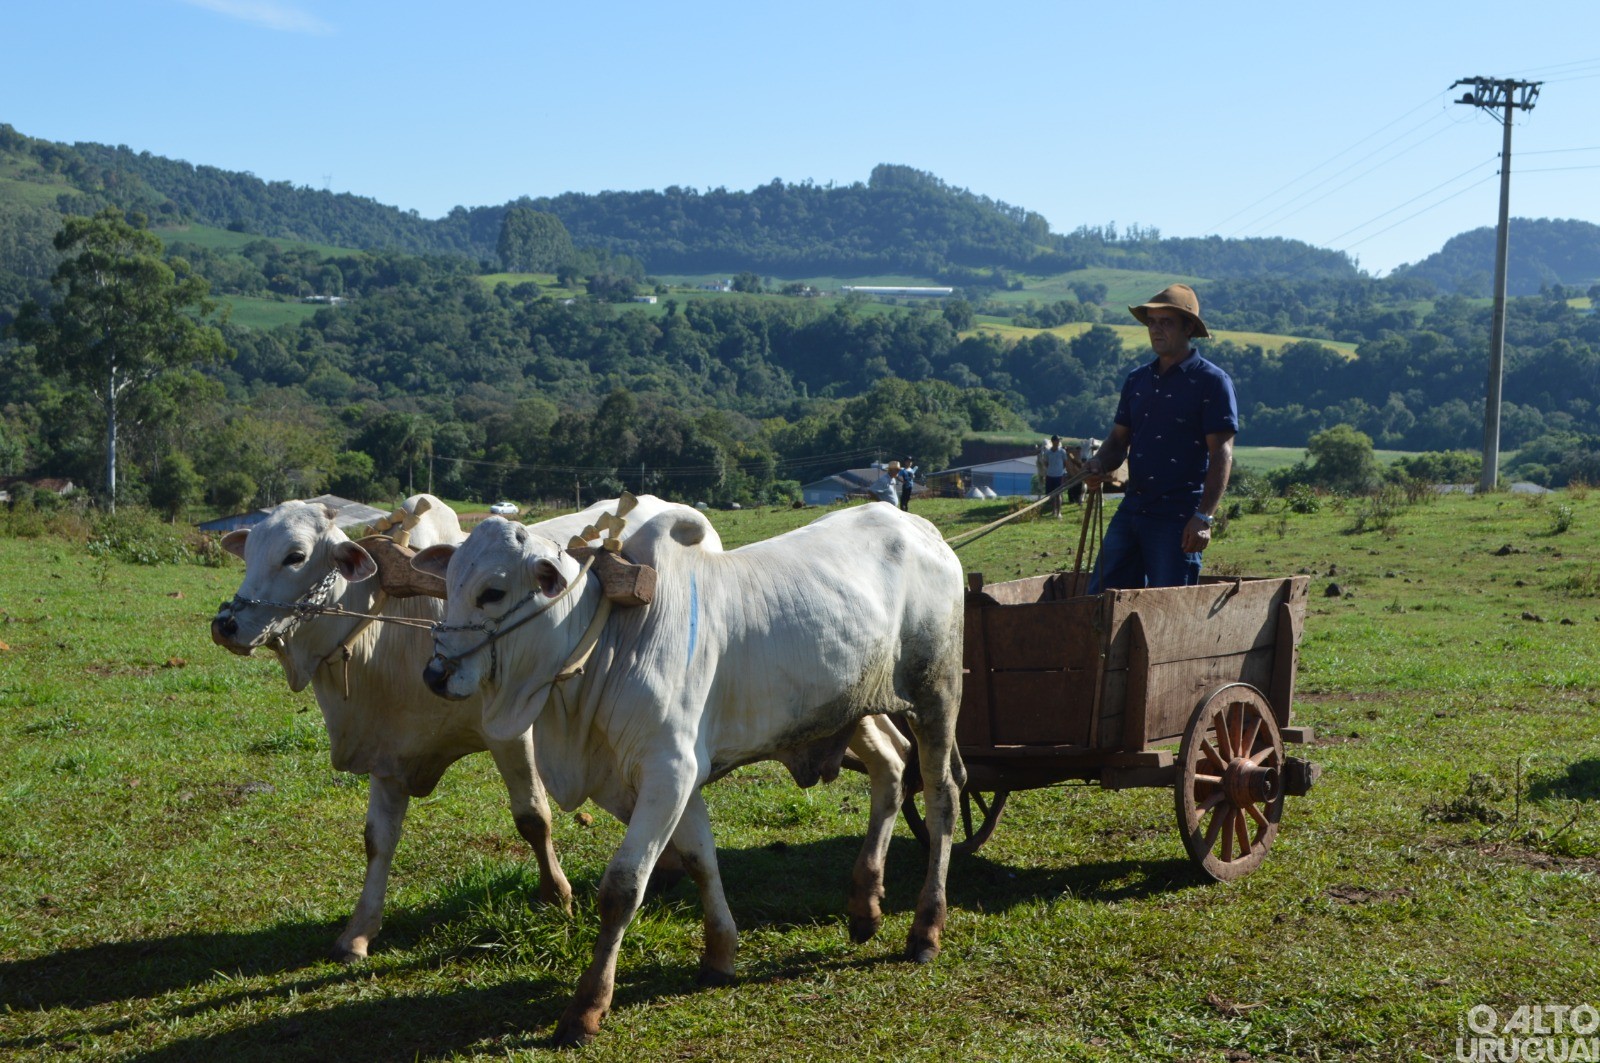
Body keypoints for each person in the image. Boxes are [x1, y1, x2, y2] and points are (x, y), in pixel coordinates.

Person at [1084, 284, 1237, 591]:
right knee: (1100, 598)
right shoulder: (1137, 380)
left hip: (1178, 517)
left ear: (1188, 327)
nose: (1156, 329)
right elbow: (1118, 442)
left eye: (1166, 322)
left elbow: (1221, 454)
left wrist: (1203, 517)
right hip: (1134, 508)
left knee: (1168, 609)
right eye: (1152, 322)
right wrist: (1099, 463)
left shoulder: (1212, 382)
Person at [1040, 436, 1070, 518]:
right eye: (1056, 440)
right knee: (1052, 495)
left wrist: (1062, 471)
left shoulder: (1062, 451)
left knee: (1059, 494)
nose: (1058, 442)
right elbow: (1046, 463)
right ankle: (1054, 511)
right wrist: (1051, 469)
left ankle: (1059, 512)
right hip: (1050, 475)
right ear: (1053, 441)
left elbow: (1065, 463)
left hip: (1059, 476)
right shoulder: (1048, 453)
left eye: (1058, 441)